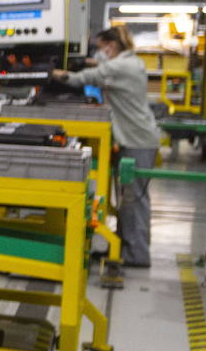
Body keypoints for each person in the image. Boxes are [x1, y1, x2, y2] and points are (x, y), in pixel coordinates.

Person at [51, 24, 160, 267]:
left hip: (137, 140)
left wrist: (47, 71)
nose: (99, 54)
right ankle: (124, 248)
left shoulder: (122, 66)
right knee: (127, 199)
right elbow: (98, 66)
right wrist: (89, 60)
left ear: (110, 47)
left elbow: (80, 79)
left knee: (133, 199)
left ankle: (137, 255)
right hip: (134, 138)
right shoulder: (129, 62)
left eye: (100, 49)